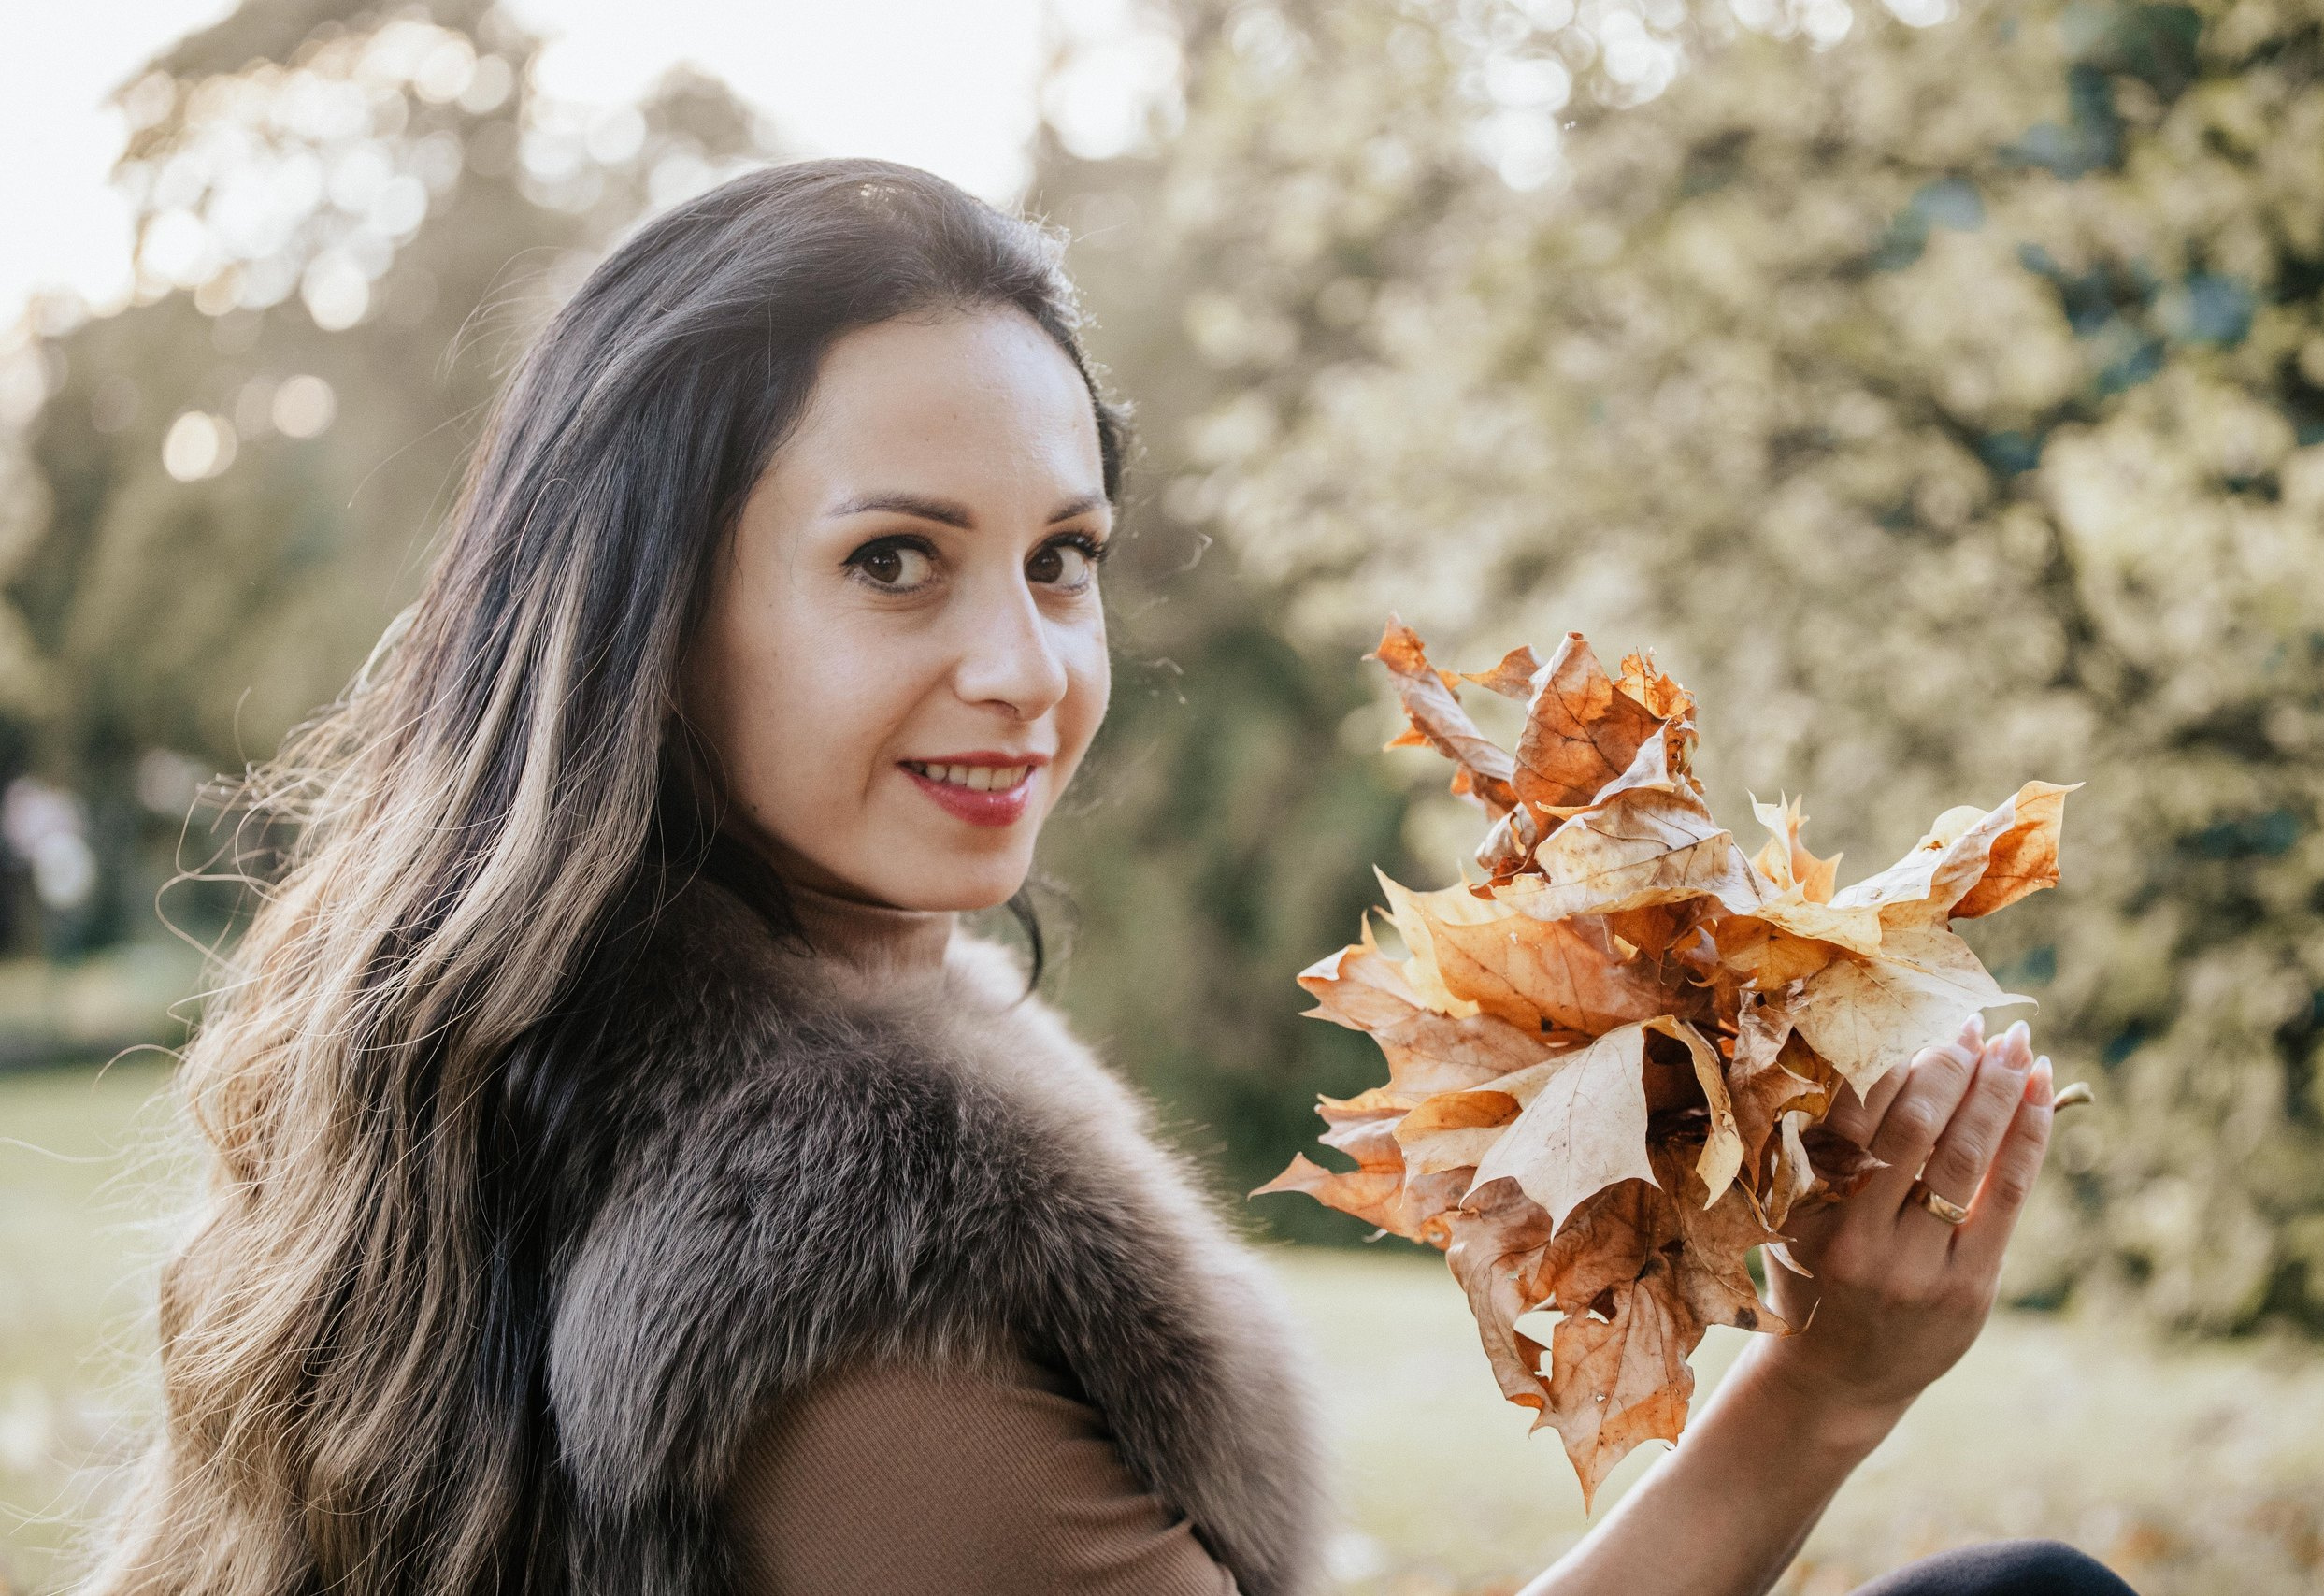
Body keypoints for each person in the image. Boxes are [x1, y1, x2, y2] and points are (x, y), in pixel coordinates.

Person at [86, 160, 2136, 1596]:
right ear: (653, 611)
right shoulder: (838, 1249)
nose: (1027, 666)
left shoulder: (569, 1040)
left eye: (1058, 557)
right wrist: (1819, 1393)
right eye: (896, 557)